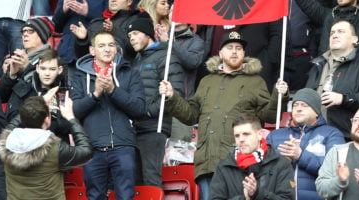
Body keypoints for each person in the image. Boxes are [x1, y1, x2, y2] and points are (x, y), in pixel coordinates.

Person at [160, 30, 274, 200]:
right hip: (208, 164)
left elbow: (270, 116)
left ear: (244, 53)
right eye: (230, 47)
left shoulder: (256, 81)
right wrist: (171, 96)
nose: (234, 51)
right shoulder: (207, 81)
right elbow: (191, 115)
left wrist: (280, 96)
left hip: (240, 163)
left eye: (238, 48)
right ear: (220, 53)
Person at [69, 29, 145, 200]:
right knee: (95, 196)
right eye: (101, 45)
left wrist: (113, 91)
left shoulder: (129, 73)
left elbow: (139, 109)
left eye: (111, 45)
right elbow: (74, 112)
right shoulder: (79, 76)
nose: (107, 49)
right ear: (92, 50)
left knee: (126, 196)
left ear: (116, 49)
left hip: (123, 146)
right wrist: (95, 94)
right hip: (93, 148)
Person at [126, 12, 183, 189]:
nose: (132, 39)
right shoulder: (136, 61)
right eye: (129, 36)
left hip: (154, 126)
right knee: (135, 181)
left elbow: (175, 92)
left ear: (148, 34)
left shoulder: (166, 57)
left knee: (151, 179)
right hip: (136, 127)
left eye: (135, 34)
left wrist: (149, 111)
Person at [0, 94, 94, 199]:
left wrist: (32, 108)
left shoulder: (5, 142)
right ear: (47, 120)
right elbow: (86, 152)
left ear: (22, 117)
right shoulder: (55, 148)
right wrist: (71, 118)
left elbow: (11, 126)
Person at [303, 20, 359, 137]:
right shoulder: (318, 64)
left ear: (354, 39)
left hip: (345, 136)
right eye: (332, 33)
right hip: (311, 134)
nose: (335, 35)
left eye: (341, 32)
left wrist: (343, 99)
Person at [267, 86, 344, 200]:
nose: (298, 108)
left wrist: (301, 156)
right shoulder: (274, 136)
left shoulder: (332, 134)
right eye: (295, 105)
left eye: (304, 105)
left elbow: (336, 170)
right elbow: (264, 172)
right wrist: (284, 162)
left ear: (317, 111)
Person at [209, 114, 294, 200]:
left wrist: (257, 193)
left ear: (260, 135)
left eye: (246, 134)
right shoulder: (224, 167)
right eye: (237, 136)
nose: (241, 139)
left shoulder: (281, 164)